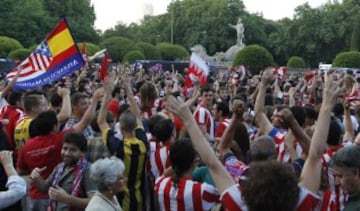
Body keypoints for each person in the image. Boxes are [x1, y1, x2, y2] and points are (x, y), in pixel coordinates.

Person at [164, 71, 342, 210]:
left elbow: (212, 162)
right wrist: (326, 106)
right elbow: (315, 155)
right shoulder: (300, 204)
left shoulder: (237, 204)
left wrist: (188, 119)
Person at [98, 77, 147, 211]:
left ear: (121, 128)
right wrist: (129, 92)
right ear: (135, 127)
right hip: (140, 198)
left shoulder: (117, 145)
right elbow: (138, 116)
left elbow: (101, 121)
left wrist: (107, 94)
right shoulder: (144, 142)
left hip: (121, 201)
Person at [30, 132, 97, 210]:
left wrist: (67, 199)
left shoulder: (88, 170)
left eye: (73, 150)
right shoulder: (60, 167)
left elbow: (94, 202)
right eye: (65, 148)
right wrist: (36, 177)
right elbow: (45, 188)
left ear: (82, 152)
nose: (67, 153)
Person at [155, 139, 220, 211]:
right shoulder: (202, 190)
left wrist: (177, 162)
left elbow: (164, 174)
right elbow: (227, 195)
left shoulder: (160, 183)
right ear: (193, 162)